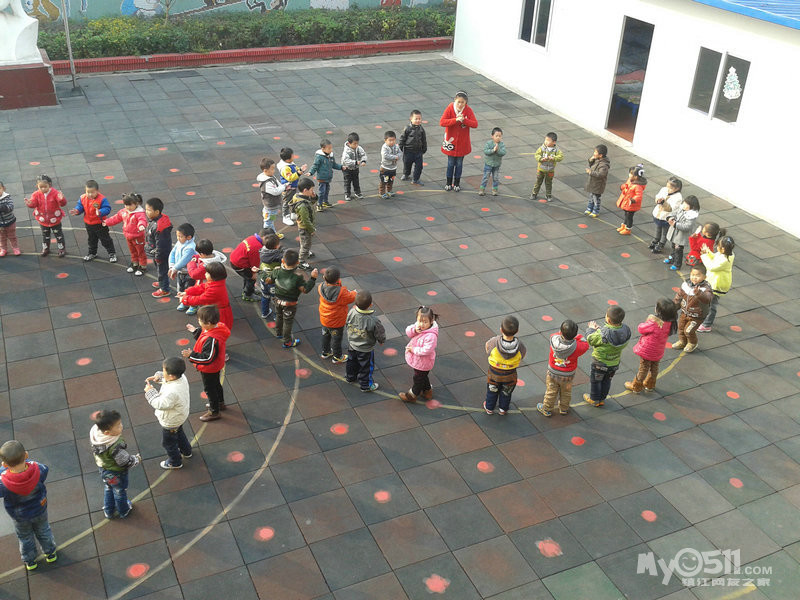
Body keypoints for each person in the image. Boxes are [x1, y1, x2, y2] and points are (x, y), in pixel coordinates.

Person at [0, 440, 57, 571]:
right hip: (39, 508)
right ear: (26, 455)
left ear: (4, 464)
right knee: (44, 530)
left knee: (25, 537)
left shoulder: (3, 483)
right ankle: (50, 553)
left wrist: (4, 470)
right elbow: (45, 469)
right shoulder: (38, 469)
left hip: (19, 516)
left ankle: (30, 560)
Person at [182, 305, 231, 421]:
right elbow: (204, 335)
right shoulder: (216, 327)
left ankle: (214, 412)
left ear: (208, 323)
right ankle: (220, 403)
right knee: (216, 384)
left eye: (200, 320)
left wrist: (191, 355)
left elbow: (207, 358)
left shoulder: (212, 339)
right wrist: (195, 331)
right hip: (216, 366)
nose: (198, 321)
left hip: (209, 368)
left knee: (210, 389)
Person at [90, 410, 141, 519]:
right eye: (118, 426)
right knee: (119, 491)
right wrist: (136, 459)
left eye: (120, 423)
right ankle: (124, 510)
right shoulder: (114, 445)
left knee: (108, 487)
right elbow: (124, 462)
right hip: (117, 473)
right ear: (107, 432)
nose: (121, 426)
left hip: (104, 469)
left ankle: (108, 510)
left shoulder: (96, 435)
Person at [144, 357, 192, 470]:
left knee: (168, 443)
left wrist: (150, 391)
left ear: (171, 376)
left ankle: (175, 462)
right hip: (179, 416)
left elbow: (160, 404)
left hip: (171, 421)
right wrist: (160, 377)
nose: (162, 372)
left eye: (163, 371)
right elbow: (170, 380)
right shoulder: (182, 377)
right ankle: (186, 451)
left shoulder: (172, 392)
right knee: (179, 433)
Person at [265, 248, 318, 348]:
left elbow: (269, 280)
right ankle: (287, 341)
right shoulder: (297, 276)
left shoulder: (277, 271)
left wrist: (262, 273)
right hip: (290, 304)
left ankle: (278, 333)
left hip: (277, 299)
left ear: (282, 261)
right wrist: (313, 278)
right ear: (297, 262)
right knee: (288, 322)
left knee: (279, 316)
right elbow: (305, 290)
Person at [536, 319, 589, 417]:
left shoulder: (554, 339)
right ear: (574, 335)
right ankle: (564, 409)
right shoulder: (577, 347)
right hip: (568, 375)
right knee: (566, 392)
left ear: (560, 332)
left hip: (553, 373)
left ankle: (547, 409)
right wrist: (577, 336)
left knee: (551, 391)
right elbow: (585, 344)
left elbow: (555, 334)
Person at [624, 299, 678, 393]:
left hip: (647, 350)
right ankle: (650, 384)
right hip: (658, 350)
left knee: (644, 368)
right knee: (654, 367)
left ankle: (636, 386)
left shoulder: (654, 323)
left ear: (659, 311)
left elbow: (641, 329)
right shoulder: (671, 323)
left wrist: (649, 320)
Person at [583, 306, 631, 407]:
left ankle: (594, 399)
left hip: (600, 363)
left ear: (608, 320)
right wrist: (600, 330)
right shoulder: (625, 330)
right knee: (607, 380)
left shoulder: (602, 334)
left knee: (596, 381)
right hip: (614, 363)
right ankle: (602, 398)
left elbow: (590, 339)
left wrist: (591, 329)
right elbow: (613, 334)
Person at [484, 315, 527, 415]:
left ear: (501, 329)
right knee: (506, 392)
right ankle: (503, 409)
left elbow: (487, 347)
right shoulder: (520, 346)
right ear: (517, 331)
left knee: (492, 390)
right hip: (510, 374)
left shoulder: (494, 342)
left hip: (494, 372)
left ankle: (489, 407)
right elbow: (522, 354)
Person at [345, 290, 386, 392]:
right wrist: (381, 340)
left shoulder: (352, 312)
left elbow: (347, 322)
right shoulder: (373, 320)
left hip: (352, 344)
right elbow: (379, 332)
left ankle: (350, 377)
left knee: (351, 361)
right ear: (371, 304)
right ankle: (366, 385)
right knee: (366, 367)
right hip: (365, 348)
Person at [69, 179, 117, 263]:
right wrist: (77, 210)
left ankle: (112, 253)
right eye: (88, 192)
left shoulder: (102, 199)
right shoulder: (83, 197)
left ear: (97, 191)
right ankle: (92, 253)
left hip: (100, 224)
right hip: (89, 224)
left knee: (105, 239)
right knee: (91, 240)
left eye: (92, 192)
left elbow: (107, 208)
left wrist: (101, 212)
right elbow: (80, 206)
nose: (90, 194)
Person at [399, 306, 439, 403]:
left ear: (431, 321)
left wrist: (413, 349)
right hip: (418, 360)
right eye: (419, 321)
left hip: (424, 362)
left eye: (425, 322)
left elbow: (426, 350)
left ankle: (412, 395)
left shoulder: (431, 336)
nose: (421, 324)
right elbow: (408, 332)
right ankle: (427, 391)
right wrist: (414, 329)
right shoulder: (418, 326)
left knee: (418, 379)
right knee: (422, 376)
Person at [177, 261, 233, 330]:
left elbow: (200, 299)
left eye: (207, 273)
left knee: (215, 330)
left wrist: (185, 299)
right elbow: (202, 287)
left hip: (218, 314)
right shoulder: (217, 282)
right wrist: (187, 292)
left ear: (213, 276)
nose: (205, 274)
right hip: (216, 310)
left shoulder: (214, 290)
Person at [440, 91, 478, 192]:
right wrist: (455, 120)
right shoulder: (450, 108)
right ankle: (448, 182)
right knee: (450, 163)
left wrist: (464, 120)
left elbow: (475, 124)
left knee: (459, 164)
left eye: (462, 102)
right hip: (451, 142)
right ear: (455, 100)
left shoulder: (468, 110)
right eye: (458, 102)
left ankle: (457, 183)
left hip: (462, 143)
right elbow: (442, 122)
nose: (460, 104)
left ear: (466, 102)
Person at [318, 266, 357, 364]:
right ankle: (337, 357)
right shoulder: (341, 293)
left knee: (325, 336)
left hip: (325, 319)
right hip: (336, 322)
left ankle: (325, 352)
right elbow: (351, 298)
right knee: (336, 340)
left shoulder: (321, 287)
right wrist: (354, 293)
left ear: (324, 277)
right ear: (338, 279)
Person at [104, 193, 148, 276]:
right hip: (128, 236)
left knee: (140, 251)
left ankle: (143, 266)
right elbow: (116, 218)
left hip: (138, 237)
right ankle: (135, 263)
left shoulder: (139, 213)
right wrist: (107, 222)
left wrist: (141, 225)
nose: (128, 207)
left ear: (136, 204)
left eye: (130, 205)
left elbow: (142, 220)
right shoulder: (124, 211)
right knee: (132, 251)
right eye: (126, 205)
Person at [672, 264, 713, 352]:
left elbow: (708, 299)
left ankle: (692, 343)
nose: (694, 277)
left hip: (697, 315)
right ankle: (682, 341)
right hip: (685, 312)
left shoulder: (705, 288)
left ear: (704, 277)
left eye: (697, 275)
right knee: (681, 328)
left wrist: (699, 294)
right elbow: (679, 297)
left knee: (688, 331)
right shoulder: (686, 285)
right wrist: (674, 307)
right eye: (692, 275)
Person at [698, 234, 735, 332]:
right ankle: (706, 318)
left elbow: (711, 266)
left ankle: (707, 325)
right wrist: (708, 252)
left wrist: (704, 255)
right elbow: (715, 257)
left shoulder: (725, 260)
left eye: (718, 246)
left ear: (723, 249)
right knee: (707, 302)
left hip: (717, 284)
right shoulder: (726, 254)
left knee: (711, 305)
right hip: (713, 281)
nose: (716, 247)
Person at [24, 174, 67, 257]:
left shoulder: (55, 193)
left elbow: (62, 204)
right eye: (41, 187)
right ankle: (46, 248)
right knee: (45, 235)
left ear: (49, 185)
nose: (43, 189)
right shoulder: (36, 194)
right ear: (37, 186)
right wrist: (30, 204)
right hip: (43, 220)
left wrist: (62, 199)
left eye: (45, 187)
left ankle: (61, 248)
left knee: (58, 235)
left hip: (54, 219)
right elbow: (34, 204)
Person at [185, 239, 227, 316]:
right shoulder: (215, 256)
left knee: (201, 296)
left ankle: (195, 306)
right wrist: (196, 257)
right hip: (212, 283)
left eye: (199, 254)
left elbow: (194, 274)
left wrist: (192, 263)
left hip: (204, 282)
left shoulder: (205, 266)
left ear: (202, 254)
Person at [144, 197, 173, 298]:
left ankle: (164, 289)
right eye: (146, 209)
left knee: (162, 271)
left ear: (157, 212)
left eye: (149, 210)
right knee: (160, 269)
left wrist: (158, 256)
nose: (146, 212)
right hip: (156, 251)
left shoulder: (159, 227)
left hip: (160, 253)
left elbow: (161, 244)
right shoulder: (156, 220)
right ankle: (162, 282)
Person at [663, 195, 700, 270]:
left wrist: (675, 224)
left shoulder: (691, 216)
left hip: (681, 236)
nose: (684, 205)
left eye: (687, 204)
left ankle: (677, 264)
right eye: (684, 203)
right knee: (673, 246)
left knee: (678, 249)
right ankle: (672, 258)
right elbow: (674, 213)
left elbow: (687, 226)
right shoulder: (681, 209)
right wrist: (670, 217)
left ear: (692, 207)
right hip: (674, 233)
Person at [230, 229, 267, 301]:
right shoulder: (257, 247)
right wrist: (254, 274)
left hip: (236, 259)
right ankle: (248, 294)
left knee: (247, 276)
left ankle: (249, 289)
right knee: (251, 279)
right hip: (239, 264)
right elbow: (254, 265)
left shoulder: (252, 238)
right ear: (264, 237)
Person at [649, 177, 683, 254]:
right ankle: (656, 239)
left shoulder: (678, 197)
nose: (668, 189)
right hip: (658, 214)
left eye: (670, 188)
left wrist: (663, 202)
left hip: (666, 217)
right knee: (658, 228)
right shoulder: (664, 189)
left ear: (677, 189)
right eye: (667, 186)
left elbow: (670, 209)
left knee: (665, 232)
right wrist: (658, 200)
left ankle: (661, 244)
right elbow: (657, 196)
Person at [256, 233, 285, 320]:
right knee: (277, 299)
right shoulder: (278, 256)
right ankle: (277, 316)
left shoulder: (262, 251)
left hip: (264, 279)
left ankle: (264, 312)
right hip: (274, 282)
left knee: (265, 296)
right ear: (276, 246)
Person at [277, 147, 307, 226]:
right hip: (288, 188)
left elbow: (296, 169)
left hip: (294, 186)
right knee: (287, 202)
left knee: (294, 200)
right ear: (287, 159)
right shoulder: (285, 168)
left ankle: (293, 213)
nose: (294, 156)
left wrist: (300, 169)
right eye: (292, 155)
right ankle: (285, 216)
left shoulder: (291, 163)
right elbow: (290, 178)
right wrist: (299, 173)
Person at [291, 177, 317, 270]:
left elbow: (310, 203)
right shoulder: (302, 205)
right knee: (306, 243)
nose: (312, 191)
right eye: (311, 190)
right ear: (305, 190)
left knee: (304, 241)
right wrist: (312, 229)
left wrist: (314, 197)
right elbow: (305, 220)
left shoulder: (300, 197)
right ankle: (301, 261)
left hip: (304, 226)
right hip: (305, 227)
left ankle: (306, 252)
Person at [309, 139, 342, 212]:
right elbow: (315, 166)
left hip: (328, 177)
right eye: (329, 148)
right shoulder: (319, 157)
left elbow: (334, 165)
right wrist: (311, 172)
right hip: (322, 177)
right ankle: (319, 204)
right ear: (323, 149)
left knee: (327, 190)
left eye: (331, 148)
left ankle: (325, 202)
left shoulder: (331, 156)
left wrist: (341, 167)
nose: (331, 150)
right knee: (322, 191)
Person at [170, 223, 197, 312]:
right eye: (177, 236)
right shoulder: (179, 243)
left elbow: (184, 260)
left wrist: (174, 268)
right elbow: (172, 253)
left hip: (189, 272)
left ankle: (193, 305)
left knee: (189, 289)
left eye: (180, 236)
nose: (178, 238)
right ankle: (184, 302)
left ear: (188, 237)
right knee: (181, 287)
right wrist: (171, 265)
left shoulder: (190, 248)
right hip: (180, 271)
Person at [257, 158, 286, 239]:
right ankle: (265, 237)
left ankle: (273, 233)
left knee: (271, 220)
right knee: (268, 223)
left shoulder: (270, 176)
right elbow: (275, 191)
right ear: (265, 170)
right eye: (272, 169)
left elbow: (278, 184)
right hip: (271, 206)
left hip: (273, 207)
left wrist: (282, 187)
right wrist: (284, 187)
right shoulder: (266, 183)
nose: (274, 171)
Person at [530, 132, 563, 202]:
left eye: (548, 140)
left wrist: (554, 158)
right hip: (541, 169)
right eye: (545, 140)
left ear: (554, 142)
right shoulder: (542, 148)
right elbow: (536, 155)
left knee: (549, 183)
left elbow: (561, 157)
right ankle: (534, 193)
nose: (546, 142)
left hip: (550, 170)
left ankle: (548, 195)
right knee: (538, 182)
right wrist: (541, 159)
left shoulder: (556, 150)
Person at [616, 164, 647, 235]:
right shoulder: (630, 181)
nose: (629, 175)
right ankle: (624, 226)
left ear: (635, 176)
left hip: (631, 204)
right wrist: (623, 187)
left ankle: (628, 229)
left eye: (631, 174)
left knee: (629, 217)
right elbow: (626, 186)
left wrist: (633, 200)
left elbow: (639, 195)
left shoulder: (637, 186)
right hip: (626, 202)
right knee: (626, 215)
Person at [399, 110, 427, 185]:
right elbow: (402, 138)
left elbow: (423, 139)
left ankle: (416, 179)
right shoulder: (407, 128)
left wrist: (424, 148)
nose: (418, 120)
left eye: (419, 119)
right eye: (416, 119)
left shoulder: (421, 129)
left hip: (418, 151)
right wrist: (400, 148)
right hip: (408, 150)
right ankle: (406, 174)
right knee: (407, 163)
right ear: (411, 119)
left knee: (419, 166)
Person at [584, 144, 610, 217]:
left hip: (598, 185)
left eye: (595, 152)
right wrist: (591, 160)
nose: (594, 153)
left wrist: (590, 172)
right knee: (591, 196)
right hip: (593, 183)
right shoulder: (597, 160)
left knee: (596, 198)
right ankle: (589, 208)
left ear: (600, 155)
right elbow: (591, 165)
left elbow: (601, 175)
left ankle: (596, 210)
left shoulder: (604, 165)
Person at [479, 127, 507, 196]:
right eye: (496, 136)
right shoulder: (489, 143)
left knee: (496, 178)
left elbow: (503, 153)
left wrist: (497, 150)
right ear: (492, 136)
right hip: (488, 164)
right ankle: (482, 189)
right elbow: (486, 151)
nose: (498, 137)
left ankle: (495, 190)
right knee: (486, 177)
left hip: (496, 165)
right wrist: (493, 150)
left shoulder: (502, 144)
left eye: (500, 136)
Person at [340, 132, 367, 201]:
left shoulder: (358, 148)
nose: (356, 145)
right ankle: (347, 194)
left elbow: (363, 154)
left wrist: (363, 161)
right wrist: (355, 162)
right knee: (347, 182)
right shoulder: (346, 151)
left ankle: (357, 192)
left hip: (355, 168)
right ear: (349, 143)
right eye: (354, 144)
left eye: (357, 143)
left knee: (356, 181)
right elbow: (346, 161)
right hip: (347, 168)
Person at [379, 131, 402, 199]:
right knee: (384, 181)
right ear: (385, 140)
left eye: (393, 140)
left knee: (391, 180)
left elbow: (400, 153)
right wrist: (395, 157)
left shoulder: (396, 146)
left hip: (393, 168)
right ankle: (382, 192)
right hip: (385, 168)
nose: (392, 142)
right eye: (390, 140)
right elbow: (386, 156)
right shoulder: (384, 147)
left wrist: (398, 156)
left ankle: (389, 191)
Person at [0, 180, 21, 256]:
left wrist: (3, 207)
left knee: (12, 236)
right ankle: (3, 248)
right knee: (2, 238)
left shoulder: (7, 197)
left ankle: (15, 248)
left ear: (3, 188)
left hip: (10, 221)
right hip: (0, 224)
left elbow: (11, 207)